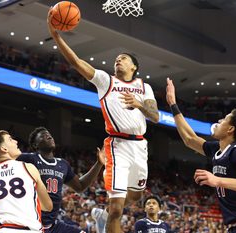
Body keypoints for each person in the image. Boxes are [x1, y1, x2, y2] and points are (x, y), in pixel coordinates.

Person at [47, 8, 159, 233]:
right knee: (117, 209)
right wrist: (57, 36)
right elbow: (77, 62)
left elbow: (155, 116)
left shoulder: (144, 87)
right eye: (116, 59)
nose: (118, 60)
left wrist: (139, 104)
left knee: (136, 196)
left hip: (140, 146)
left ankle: (103, 216)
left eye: (123, 59)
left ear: (134, 67)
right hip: (117, 147)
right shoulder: (105, 81)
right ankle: (109, 214)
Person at [165, 78, 236, 233]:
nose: (219, 121)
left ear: (230, 129)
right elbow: (190, 139)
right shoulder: (217, 150)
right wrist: (173, 105)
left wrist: (217, 180)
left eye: (224, 120)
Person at [17, 127, 105, 233]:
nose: (49, 136)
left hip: (53, 225)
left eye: (49, 134)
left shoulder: (63, 164)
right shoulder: (28, 159)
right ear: (36, 145)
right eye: (43, 136)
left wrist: (99, 164)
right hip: (31, 224)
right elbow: (2, 160)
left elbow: (80, 186)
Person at [0, 130, 53, 232]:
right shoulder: (28, 168)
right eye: (10, 139)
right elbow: (48, 206)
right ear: (4, 149)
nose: (16, 141)